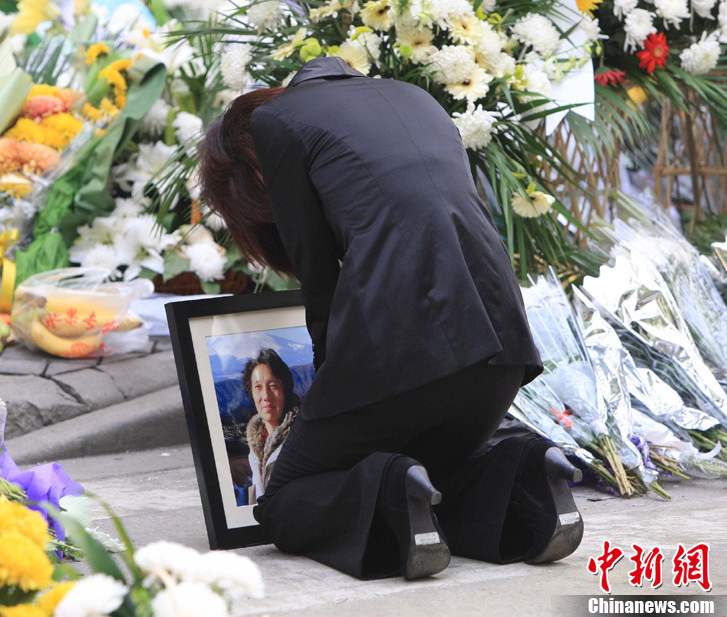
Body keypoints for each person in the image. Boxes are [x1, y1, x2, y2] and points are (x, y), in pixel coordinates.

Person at [198, 56, 584, 580]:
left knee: (284, 500)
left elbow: (317, 274)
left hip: (403, 350)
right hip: (503, 349)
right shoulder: (416, 97)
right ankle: (527, 472)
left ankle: (398, 494)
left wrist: (328, 386)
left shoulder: (276, 123)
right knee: (431, 477)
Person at [242, 348, 301, 502]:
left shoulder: (301, 437)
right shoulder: (256, 445)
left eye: (273, 386)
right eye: (258, 387)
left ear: (285, 390)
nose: (266, 396)